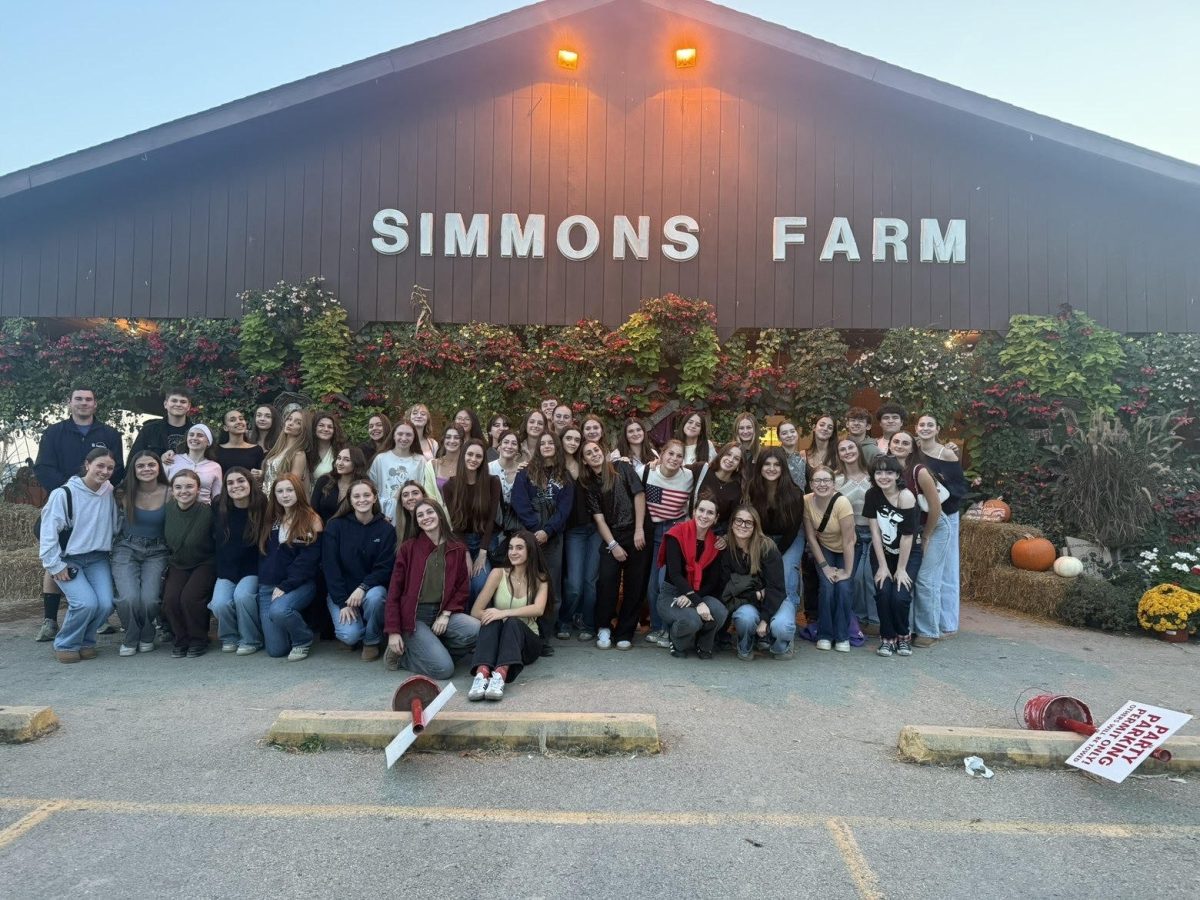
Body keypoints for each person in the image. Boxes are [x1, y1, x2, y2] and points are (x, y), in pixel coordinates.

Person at [33, 386, 125, 642]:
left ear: (96, 404)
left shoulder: (109, 433)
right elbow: (43, 467)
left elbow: (116, 471)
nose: (84, 403)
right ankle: (50, 620)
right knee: (58, 553)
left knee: (92, 565)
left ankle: (93, 622)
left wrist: (96, 490)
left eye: (88, 399)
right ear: (70, 403)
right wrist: (71, 491)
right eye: (79, 399)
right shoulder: (54, 432)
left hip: (96, 505)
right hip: (67, 502)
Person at [39, 447, 120, 663]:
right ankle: (65, 643)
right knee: (85, 603)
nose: (104, 471)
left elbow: (113, 525)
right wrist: (54, 565)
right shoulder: (63, 494)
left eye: (110, 468)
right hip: (69, 559)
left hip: (97, 558)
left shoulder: (108, 492)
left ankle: (85, 641)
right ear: (87, 465)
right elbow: (48, 533)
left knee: (105, 604)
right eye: (100, 465)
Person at [384, 500, 480, 678]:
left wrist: (446, 614)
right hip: (414, 618)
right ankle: (402, 658)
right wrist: (393, 631)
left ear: (439, 515)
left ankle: (434, 651)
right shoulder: (409, 548)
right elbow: (394, 592)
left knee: (477, 629)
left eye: (430, 512)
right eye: (420, 515)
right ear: (417, 522)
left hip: (442, 613)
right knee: (444, 670)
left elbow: (462, 588)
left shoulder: (457, 548)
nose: (425, 517)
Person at [583, 441, 649, 651]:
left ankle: (625, 631)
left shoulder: (622, 468)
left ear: (602, 451)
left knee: (635, 583)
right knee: (607, 581)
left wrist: (639, 529)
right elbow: (599, 519)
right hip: (611, 535)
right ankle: (604, 626)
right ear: (584, 460)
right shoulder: (590, 484)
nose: (594, 454)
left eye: (596, 450)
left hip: (635, 531)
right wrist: (613, 545)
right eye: (588, 453)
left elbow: (639, 495)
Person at [467, 531, 547, 701]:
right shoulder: (498, 574)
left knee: (510, 621)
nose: (513, 552)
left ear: (530, 551)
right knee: (489, 617)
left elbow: (538, 609)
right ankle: (482, 675)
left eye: (519, 548)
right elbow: (476, 611)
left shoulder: (541, 578)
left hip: (527, 644)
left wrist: (503, 613)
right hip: (499, 643)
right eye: (510, 548)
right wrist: (496, 615)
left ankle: (500, 677)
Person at [323, 478, 397, 661]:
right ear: (350, 499)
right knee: (350, 635)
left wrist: (363, 587)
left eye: (366, 495)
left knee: (375, 597)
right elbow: (330, 566)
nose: (361, 499)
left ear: (374, 498)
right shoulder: (335, 526)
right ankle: (357, 631)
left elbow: (385, 568)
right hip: (342, 593)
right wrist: (341, 602)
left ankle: (371, 641)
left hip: (370, 590)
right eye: (356, 496)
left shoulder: (386, 529)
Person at [512, 431, 574, 635]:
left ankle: (545, 635)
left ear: (557, 447)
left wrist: (547, 531)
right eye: (543, 443)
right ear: (537, 447)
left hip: (554, 538)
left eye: (551, 443)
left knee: (551, 585)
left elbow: (565, 509)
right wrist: (535, 530)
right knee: (528, 582)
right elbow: (519, 503)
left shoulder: (564, 476)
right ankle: (526, 631)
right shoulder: (525, 473)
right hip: (528, 536)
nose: (547, 446)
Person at [257, 473, 324, 660]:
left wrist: (285, 586)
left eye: (289, 490)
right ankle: (287, 628)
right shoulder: (271, 519)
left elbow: (308, 562)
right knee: (276, 651)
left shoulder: (311, 519)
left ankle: (303, 639)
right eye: (280, 491)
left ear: (298, 492)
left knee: (279, 610)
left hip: (299, 585)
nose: (285, 495)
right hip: (267, 587)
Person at [889, 429, 946, 647]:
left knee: (925, 579)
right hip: (910, 528)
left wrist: (927, 535)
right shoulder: (889, 470)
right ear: (890, 445)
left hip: (934, 525)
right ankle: (907, 628)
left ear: (913, 448)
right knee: (907, 578)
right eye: (896, 441)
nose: (900, 445)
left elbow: (935, 507)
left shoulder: (918, 471)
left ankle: (928, 630)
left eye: (905, 442)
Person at [112, 450, 170, 656]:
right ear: (134, 470)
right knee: (128, 598)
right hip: (126, 548)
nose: (146, 469)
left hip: (157, 551)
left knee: (150, 599)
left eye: (151, 465)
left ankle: (147, 632)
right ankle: (131, 635)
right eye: (141, 466)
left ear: (158, 468)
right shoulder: (122, 493)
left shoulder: (169, 492)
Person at [915, 413, 967, 640]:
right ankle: (927, 620)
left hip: (946, 514)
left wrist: (938, 504)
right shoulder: (914, 451)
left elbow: (959, 487)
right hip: (923, 515)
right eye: (922, 425)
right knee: (927, 572)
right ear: (916, 428)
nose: (925, 428)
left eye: (930, 425)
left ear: (937, 429)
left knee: (946, 570)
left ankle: (947, 623)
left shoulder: (946, 453)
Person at [656, 498, 728, 659]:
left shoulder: (715, 544)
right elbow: (674, 574)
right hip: (672, 593)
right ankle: (676, 640)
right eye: (701, 510)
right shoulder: (676, 534)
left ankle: (703, 644)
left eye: (710, 512)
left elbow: (712, 582)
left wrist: (694, 598)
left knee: (720, 611)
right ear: (694, 512)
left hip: (699, 591)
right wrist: (698, 601)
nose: (704, 515)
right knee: (692, 620)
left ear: (716, 518)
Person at [864, 455, 920, 657]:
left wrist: (901, 569)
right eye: (879, 472)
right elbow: (875, 533)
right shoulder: (872, 495)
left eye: (889, 472)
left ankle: (903, 636)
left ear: (897, 475)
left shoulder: (906, 497)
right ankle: (887, 638)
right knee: (883, 592)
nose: (883, 476)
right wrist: (883, 566)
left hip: (907, 553)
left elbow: (907, 536)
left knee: (900, 595)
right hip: (883, 553)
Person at [209, 467, 267, 655]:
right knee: (219, 603)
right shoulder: (219, 506)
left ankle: (251, 639)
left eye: (241, 481)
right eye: (230, 483)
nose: (236, 486)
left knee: (242, 597)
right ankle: (230, 637)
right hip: (227, 567)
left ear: (250, 482)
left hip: (253, 567)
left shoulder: (262, 505)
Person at [723, 505, 792, 660]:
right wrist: (756, 594)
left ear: (755, 526)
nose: (742, 525)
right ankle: (745, 644)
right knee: (745, 618)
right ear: (732, 523)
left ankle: (781, 645)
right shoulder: (727, 549)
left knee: (782, 627)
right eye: (739, 520)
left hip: (775, 599)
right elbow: (728, 587)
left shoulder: (767, 547)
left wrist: (764, 620)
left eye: (748, 522)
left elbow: (776, 588)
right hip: (748, 601)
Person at [643, 439, 694, 648]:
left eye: (679, 455)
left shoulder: (689, 476)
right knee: (652, 585)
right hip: (653, 531)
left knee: (667, 583)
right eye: (670, 454)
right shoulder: (647, 472)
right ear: (661, 455)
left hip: (675, 532)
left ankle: (667, 628)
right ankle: (657, 627)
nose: (674, 458)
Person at [161, 470, 217, 658]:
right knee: (170, 599)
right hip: (178, 562)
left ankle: (198, 639)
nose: (183, 491)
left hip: (204, 562)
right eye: (178, 487)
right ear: (172, 490)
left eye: (189, 486)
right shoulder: (168, 509)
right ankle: (181, 639)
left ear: (198, 489)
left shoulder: (208, 512)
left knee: (190, 598)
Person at [803, 464, 857, 652]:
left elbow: (849, 541)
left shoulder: (842, 503)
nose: (822, 484)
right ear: (811, 484)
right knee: (826, 586)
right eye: (817, 480)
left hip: (845, 549)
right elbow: (811, 537)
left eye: (826, 480)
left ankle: (842, 635)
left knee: (843, 586)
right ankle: (825, 634)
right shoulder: (807, 501)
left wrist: (847, 572)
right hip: (824, 548)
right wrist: (825, 566)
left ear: (834, 484)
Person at [746, 447, 806, 613]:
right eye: (767, 464)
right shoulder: (753, 488)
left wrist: (775, 554)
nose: (771, 468)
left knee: (785, 573)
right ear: (760, 467)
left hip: (790, 538)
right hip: (762, 538)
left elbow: (793, 529)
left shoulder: (794, 493)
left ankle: (786, 624)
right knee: (760, 572)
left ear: (783, 468)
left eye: (776, 464)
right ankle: (762, 616)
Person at [442, 438, 501, 601]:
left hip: (486, 540)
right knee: (462, 580)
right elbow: (456, 524)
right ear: (463, 456)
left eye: (478, 456)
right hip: (462, 541)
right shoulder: (449, 486)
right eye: (470, 454)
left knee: (480, 583)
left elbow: (491, 520)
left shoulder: (492, 482)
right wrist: (465, 552)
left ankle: (480, 621)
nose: (473, 459)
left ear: (483, 460)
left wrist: (483, 553)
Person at [559, 426, 598, 642]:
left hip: (596, 528)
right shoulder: (554, 465)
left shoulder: (586, 462)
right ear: (561, 440)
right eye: (568, 438)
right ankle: (565, 618)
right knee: (574, 583)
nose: (573, 442)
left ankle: (587, 622)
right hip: (573, 530)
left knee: (591, 581)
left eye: (576, 439)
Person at [835, 437, 875, 638]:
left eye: (851, 447)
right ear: (839, 455)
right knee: (855, 577)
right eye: (843, 449)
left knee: (870, 576)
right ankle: (857, 619)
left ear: (858, 450)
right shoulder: (836, 480)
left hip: (875, 532)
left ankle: (874, 619)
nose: (847, 452)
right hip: (853, 534)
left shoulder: (873, 476)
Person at [368, 421, 431, 521]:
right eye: (400, 434)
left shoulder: (420, 461)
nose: (404, 438)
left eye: (408, 434)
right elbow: (371, 488)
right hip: (384, 515)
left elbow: (424, 490)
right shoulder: (381, 459)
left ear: (414, 437)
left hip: (411, 515)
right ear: (393, 436)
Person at [691, 442, 744, 536]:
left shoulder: (737, 487)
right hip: (691, 528)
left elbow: (732, 519)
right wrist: (657, 464)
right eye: (728, 454)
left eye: (736, 459)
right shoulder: (701, 469)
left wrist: (726, 538)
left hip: (716, 535)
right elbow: (677, 471)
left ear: (739, 465)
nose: (730, 460)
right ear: (721, 454)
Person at [165, 423, 223, 504]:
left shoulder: (215, 467)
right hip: (174, 512)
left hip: (203, 512)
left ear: (208, 442)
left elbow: (217, 497)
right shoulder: (172, 460)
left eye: (200, 435)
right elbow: (163, 490)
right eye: (191, 435)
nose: (194, 438)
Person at [261, 408, 311, 496]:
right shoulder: (278, 449)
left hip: (280, 502)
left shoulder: (299, 454)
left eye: (298, 422)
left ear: (303, 429)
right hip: (265, 500)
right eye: (289, 419)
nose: (290, 423)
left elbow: (292, 486)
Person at [131, 387, 192, 459]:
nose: (178, 404)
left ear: (188, 406)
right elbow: (134, 460)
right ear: (165, 404)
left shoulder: (196, 432)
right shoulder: (149, 430)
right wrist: (159, 459)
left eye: (183, 402)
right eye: (174, 401)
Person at [311, 446, 369, 521]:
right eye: (339, 458)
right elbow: (313, 510)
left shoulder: (363, 486)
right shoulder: (324, 480)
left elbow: (370, 512)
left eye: (346, 460)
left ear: (356, 463)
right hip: (323, 529)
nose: (340, 463)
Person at [214, 408, 266, 475]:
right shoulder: (217, 450)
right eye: (232, 420)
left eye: (241, 419)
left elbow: (261, 474)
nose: (239, 422)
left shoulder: (256, 450)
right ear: (225, 428)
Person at [308, 411, 347, 484]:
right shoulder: (307, 450)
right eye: (321, 425)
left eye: (330, 427)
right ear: (314, 428)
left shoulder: (341, 451)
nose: (326, 429)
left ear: (334, 430)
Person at [432, 425, 465, 493]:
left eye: (456, 438)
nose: (452, 441)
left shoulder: (467, 464)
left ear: (461, 441)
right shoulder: (433, 464)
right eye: (448, 437)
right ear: (443, 440)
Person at [775, 420, 807, 490]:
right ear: (779, 438)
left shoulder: (801, 458)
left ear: (797, 434)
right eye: (784, 433)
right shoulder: (775, 458)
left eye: (792, 431)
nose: (789, 435)